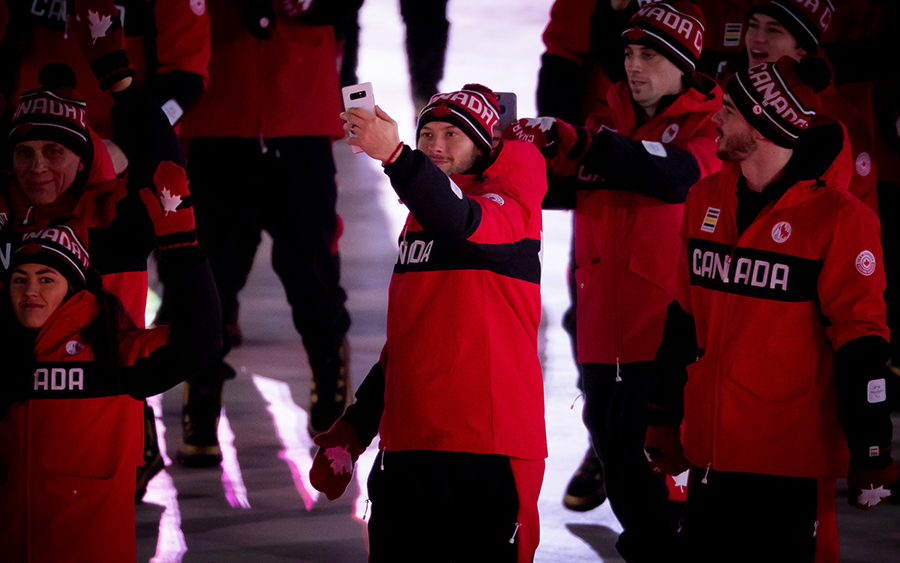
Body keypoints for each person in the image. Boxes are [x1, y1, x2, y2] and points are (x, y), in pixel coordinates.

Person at [646, 55, 899, 562]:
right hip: (711, 454)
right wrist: (662, 416)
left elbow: (861, 341)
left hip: (787, 467)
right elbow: (682, 317)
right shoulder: (703, 198)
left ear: (764, 125)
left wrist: (872, 447)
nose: (716, 116)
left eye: (731, 109)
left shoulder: (840, 219)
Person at [507, 2, 723, 559]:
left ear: (682, 65)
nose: (634, 65)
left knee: (664, 474)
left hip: (666, 336)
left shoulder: (711, 127)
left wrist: (588, 145)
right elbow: (554, 189)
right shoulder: (605, 122)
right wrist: (496, 153)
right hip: (602, 331)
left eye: (649, 54)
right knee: (615, 456)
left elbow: (673, 172)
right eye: (627, 53)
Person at [309, 84, 548, 563]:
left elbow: (461, 220)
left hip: (486, 453)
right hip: (409, 449)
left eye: (453, 133)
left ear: (485, 145)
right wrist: (355, 428)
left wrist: (397, 156)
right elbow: (411, 342)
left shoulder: (512, 209)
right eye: (427, 134)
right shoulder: (420, 222)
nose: (435, 144)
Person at [0, 164, 221, 562]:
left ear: (74, 286)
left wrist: (181, 245)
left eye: (46, 278)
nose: (30, 291)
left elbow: (200, 339)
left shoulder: (115, 352)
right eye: (20, 279)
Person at [175, 0, 360, 465]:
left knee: (312, 265)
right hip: (219, 106)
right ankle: (202, 390)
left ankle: (329, 378)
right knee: (210, 269)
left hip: (300, 109)